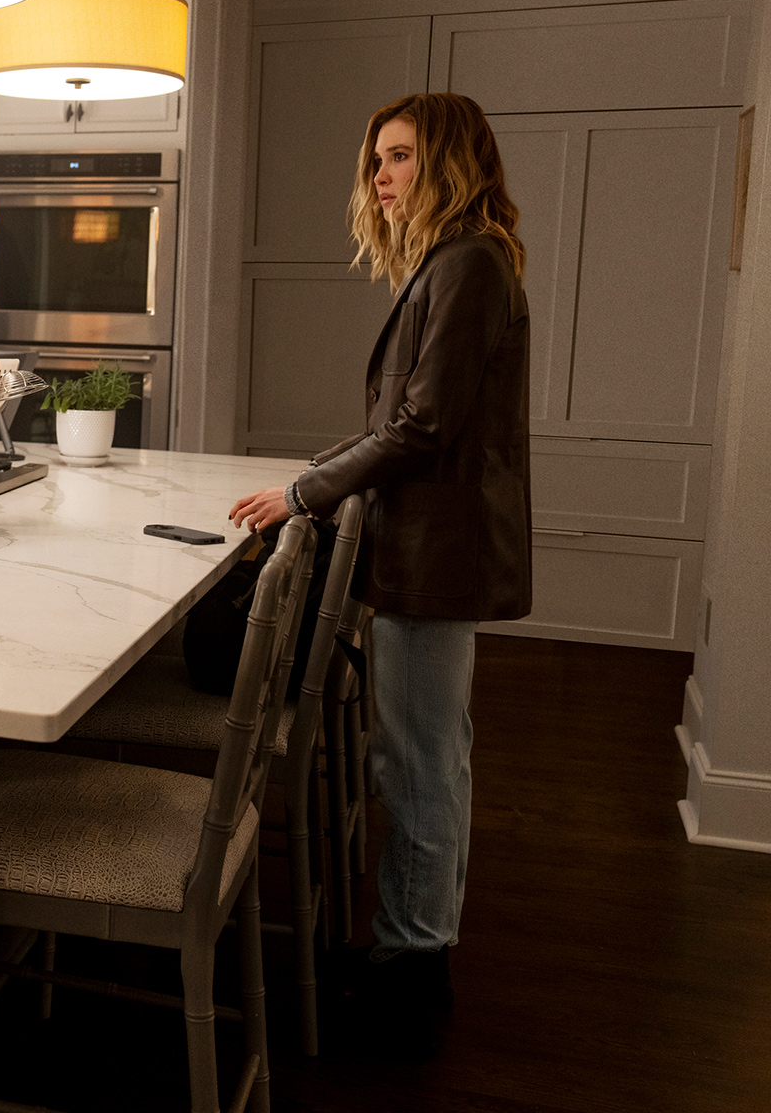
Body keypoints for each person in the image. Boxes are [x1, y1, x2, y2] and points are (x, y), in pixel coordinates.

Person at [229, 91, 532, 1040]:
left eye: (399, 155)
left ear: (448, 160)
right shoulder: (457, 260)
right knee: (424, 756)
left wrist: (304, 491)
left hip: (435, 554)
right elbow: (406, 423)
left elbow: (422, 426)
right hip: (427, 547)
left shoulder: (469, 263)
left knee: (421, 764)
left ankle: (412, 971)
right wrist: (313, 476)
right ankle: (410, 947)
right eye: (377, 159)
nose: (380, 174)